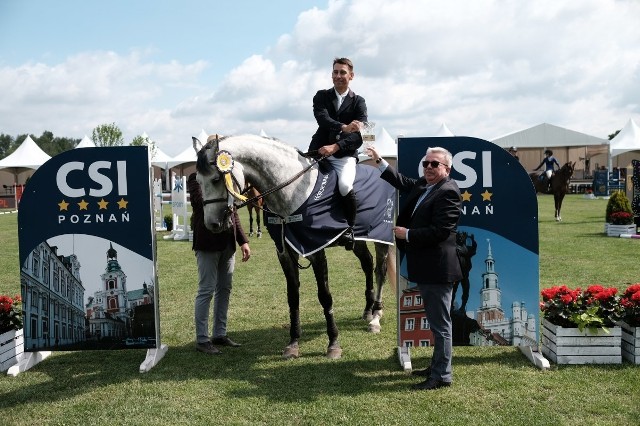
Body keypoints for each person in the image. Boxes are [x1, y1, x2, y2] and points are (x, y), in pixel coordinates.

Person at [367, 145, 462, 390]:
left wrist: (407, 234)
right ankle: (437, 367)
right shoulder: (425, 185)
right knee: (435, 323)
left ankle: (442, 376)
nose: (428, 168)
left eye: (434, 164)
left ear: (447, 169)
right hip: (427, 267)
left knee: (441, 326)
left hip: (438, 269)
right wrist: (379, 161)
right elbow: (403, 181)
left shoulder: (448, 191)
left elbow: (441, 232)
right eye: (426, 163)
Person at [188, 173, 251, 355]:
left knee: (224, 289)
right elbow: (199, 203)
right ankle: (202, 339)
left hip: (227, 243)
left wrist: (243, 241)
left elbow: (235, 213)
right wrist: (224, 197)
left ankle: (219, 334)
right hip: (207, 243)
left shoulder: (228, 178)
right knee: (206, 290)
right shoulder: (196, 178)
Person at [308, 57, 367, 250]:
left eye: (342, 72)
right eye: (335, 72)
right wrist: (344, 127)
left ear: (351, 76)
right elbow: (322, 119)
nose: (338, 76)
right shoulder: (321, 96)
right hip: (318, 151)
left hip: (344, 156)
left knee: (344, 185)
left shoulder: (358, 102)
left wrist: (336, 147)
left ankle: (349, 229)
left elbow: (359, 137)